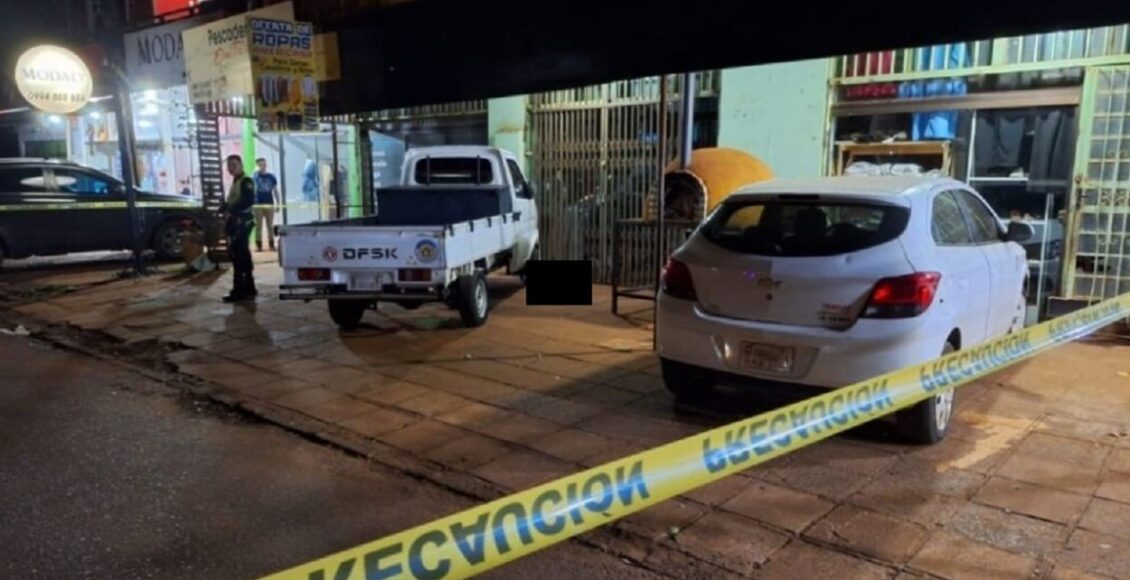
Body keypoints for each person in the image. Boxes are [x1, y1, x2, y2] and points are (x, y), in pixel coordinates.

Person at [222, 154, 257, 303]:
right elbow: (235, 199)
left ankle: (240, 291)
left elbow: (248, 200)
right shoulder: (237, 181)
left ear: (241, 165)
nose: (231, 168)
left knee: (239, 257)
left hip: (241, 223)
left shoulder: (246, 181)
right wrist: (225, 207)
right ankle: (248, 288)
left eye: (234, 165)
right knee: (242, 256)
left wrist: (230, 208)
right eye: (229, 165)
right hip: (237, 222)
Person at [252, 158, 280, 251]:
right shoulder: (255, 177)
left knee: (270, 225)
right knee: (258, 225)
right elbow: (252, 191)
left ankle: (271, 244)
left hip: (269, 203)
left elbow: (275, 190)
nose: (262, 166)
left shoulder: (271, 177)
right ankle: (258, 245)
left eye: (263, 164)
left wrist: (278, 203)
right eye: (260, 165)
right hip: (258, 204)